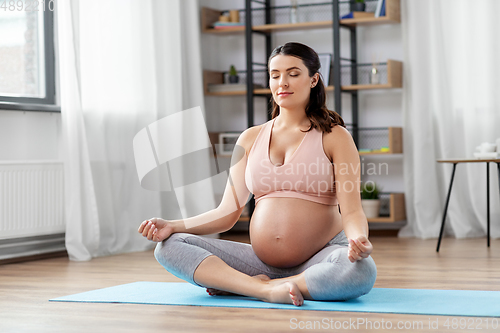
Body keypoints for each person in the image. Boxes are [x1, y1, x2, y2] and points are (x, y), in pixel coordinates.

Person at [138, 42, 377, 306]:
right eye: (275, 75)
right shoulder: (250, 138)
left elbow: (352, 211)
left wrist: (358, 239)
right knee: (169, 246)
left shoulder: (335, 136)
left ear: (313, 79)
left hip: (320, 258)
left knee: (361, 271)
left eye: (293, 74)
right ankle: (260, 288)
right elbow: (227, 213)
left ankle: (248, 286)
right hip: (258, 263)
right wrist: (173, 225)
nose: (282, 82)